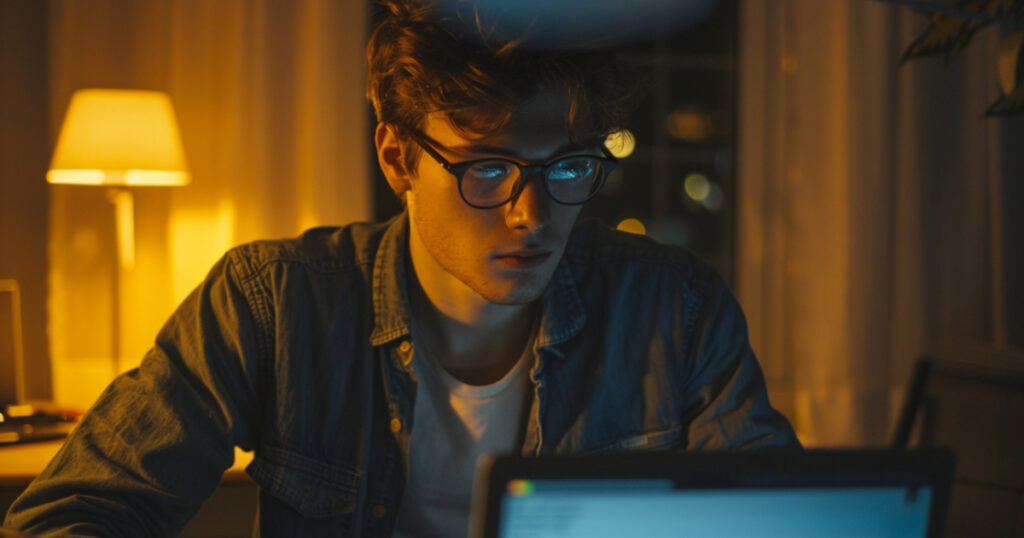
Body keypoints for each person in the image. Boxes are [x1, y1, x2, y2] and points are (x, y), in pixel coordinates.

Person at [4, 1, 798, 536]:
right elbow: (72, 513)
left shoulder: (675, 309)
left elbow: (783, 515)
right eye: (488, 170)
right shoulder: (274, 304)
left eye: (566, 169)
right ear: (398, 157)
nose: (533, 216)